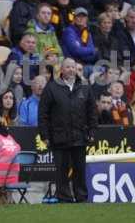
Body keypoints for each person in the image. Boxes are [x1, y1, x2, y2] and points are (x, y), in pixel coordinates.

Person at [38, 58, 98, 203]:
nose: (71, 70)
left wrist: (92, 131)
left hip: (80, 136)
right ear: (62, 70)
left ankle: (81, 197)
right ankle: (64, 198)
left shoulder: (85, 87)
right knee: (62, 171)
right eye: (68, 67)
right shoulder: (51, 87)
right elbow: (43, 114)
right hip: (59, 137)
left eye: (73, 67)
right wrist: (45, 135)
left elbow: (92, 112)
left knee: (80, 170)